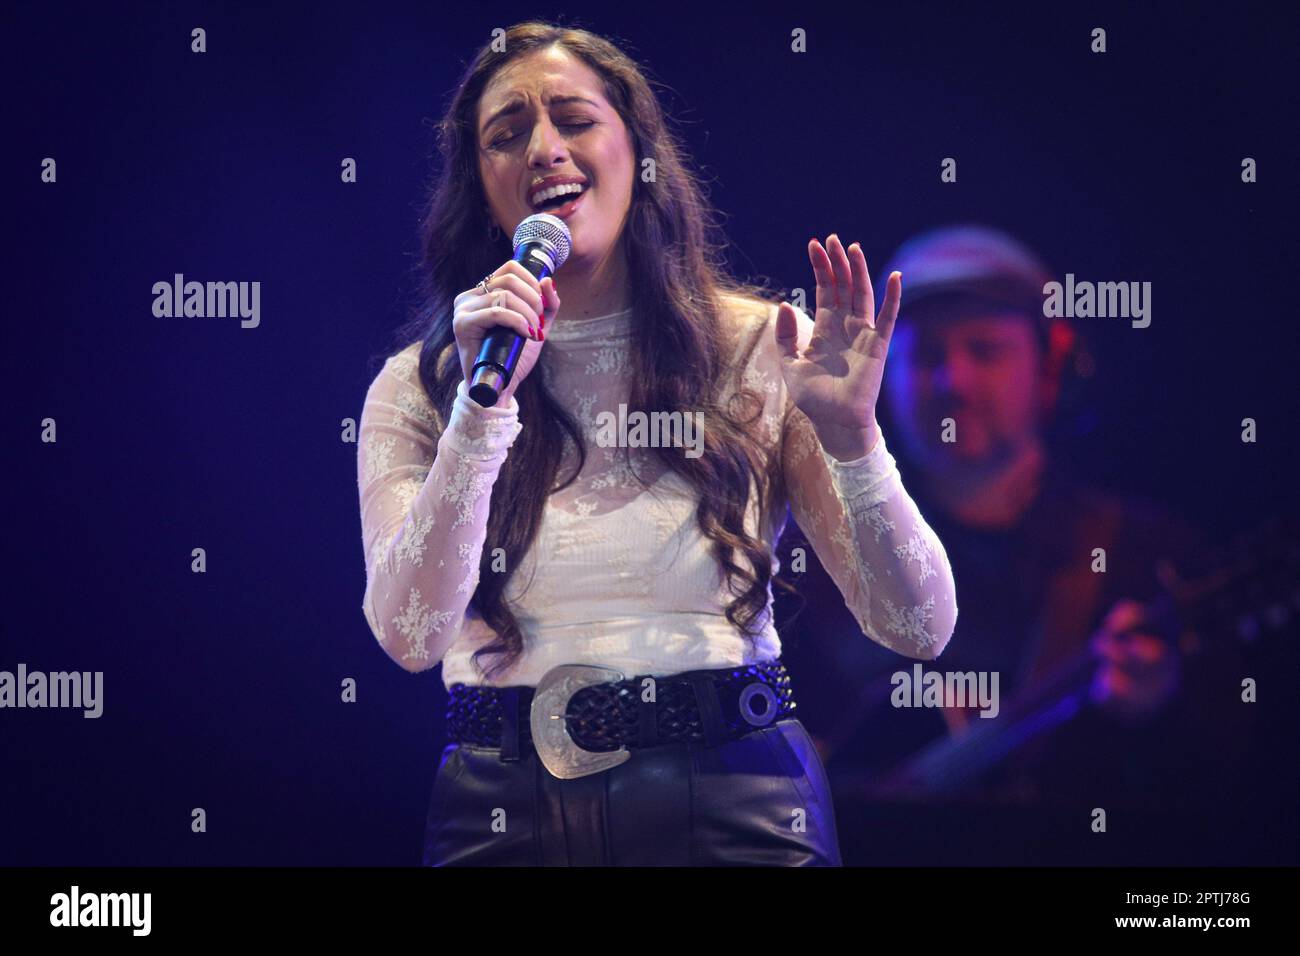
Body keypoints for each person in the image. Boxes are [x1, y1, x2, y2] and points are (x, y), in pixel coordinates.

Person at [354, 21, 957, 866]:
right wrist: (480, 415)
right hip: (500, 813)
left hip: (734, 804)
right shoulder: (421, 387)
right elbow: (409, 635)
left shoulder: (760, 350)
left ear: (637, 151)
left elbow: (918, 626)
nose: (544, 150)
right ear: (477, 183)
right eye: (507, 134)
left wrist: (854, 439)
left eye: (573, 119)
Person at [786, 224, 1252, 864]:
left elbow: (1232, 803)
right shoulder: (809, 559)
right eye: (925, 357)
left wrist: (1158, 710)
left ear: (1052, 366)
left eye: (985, 351)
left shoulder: (1145, 554)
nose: (954, 382)